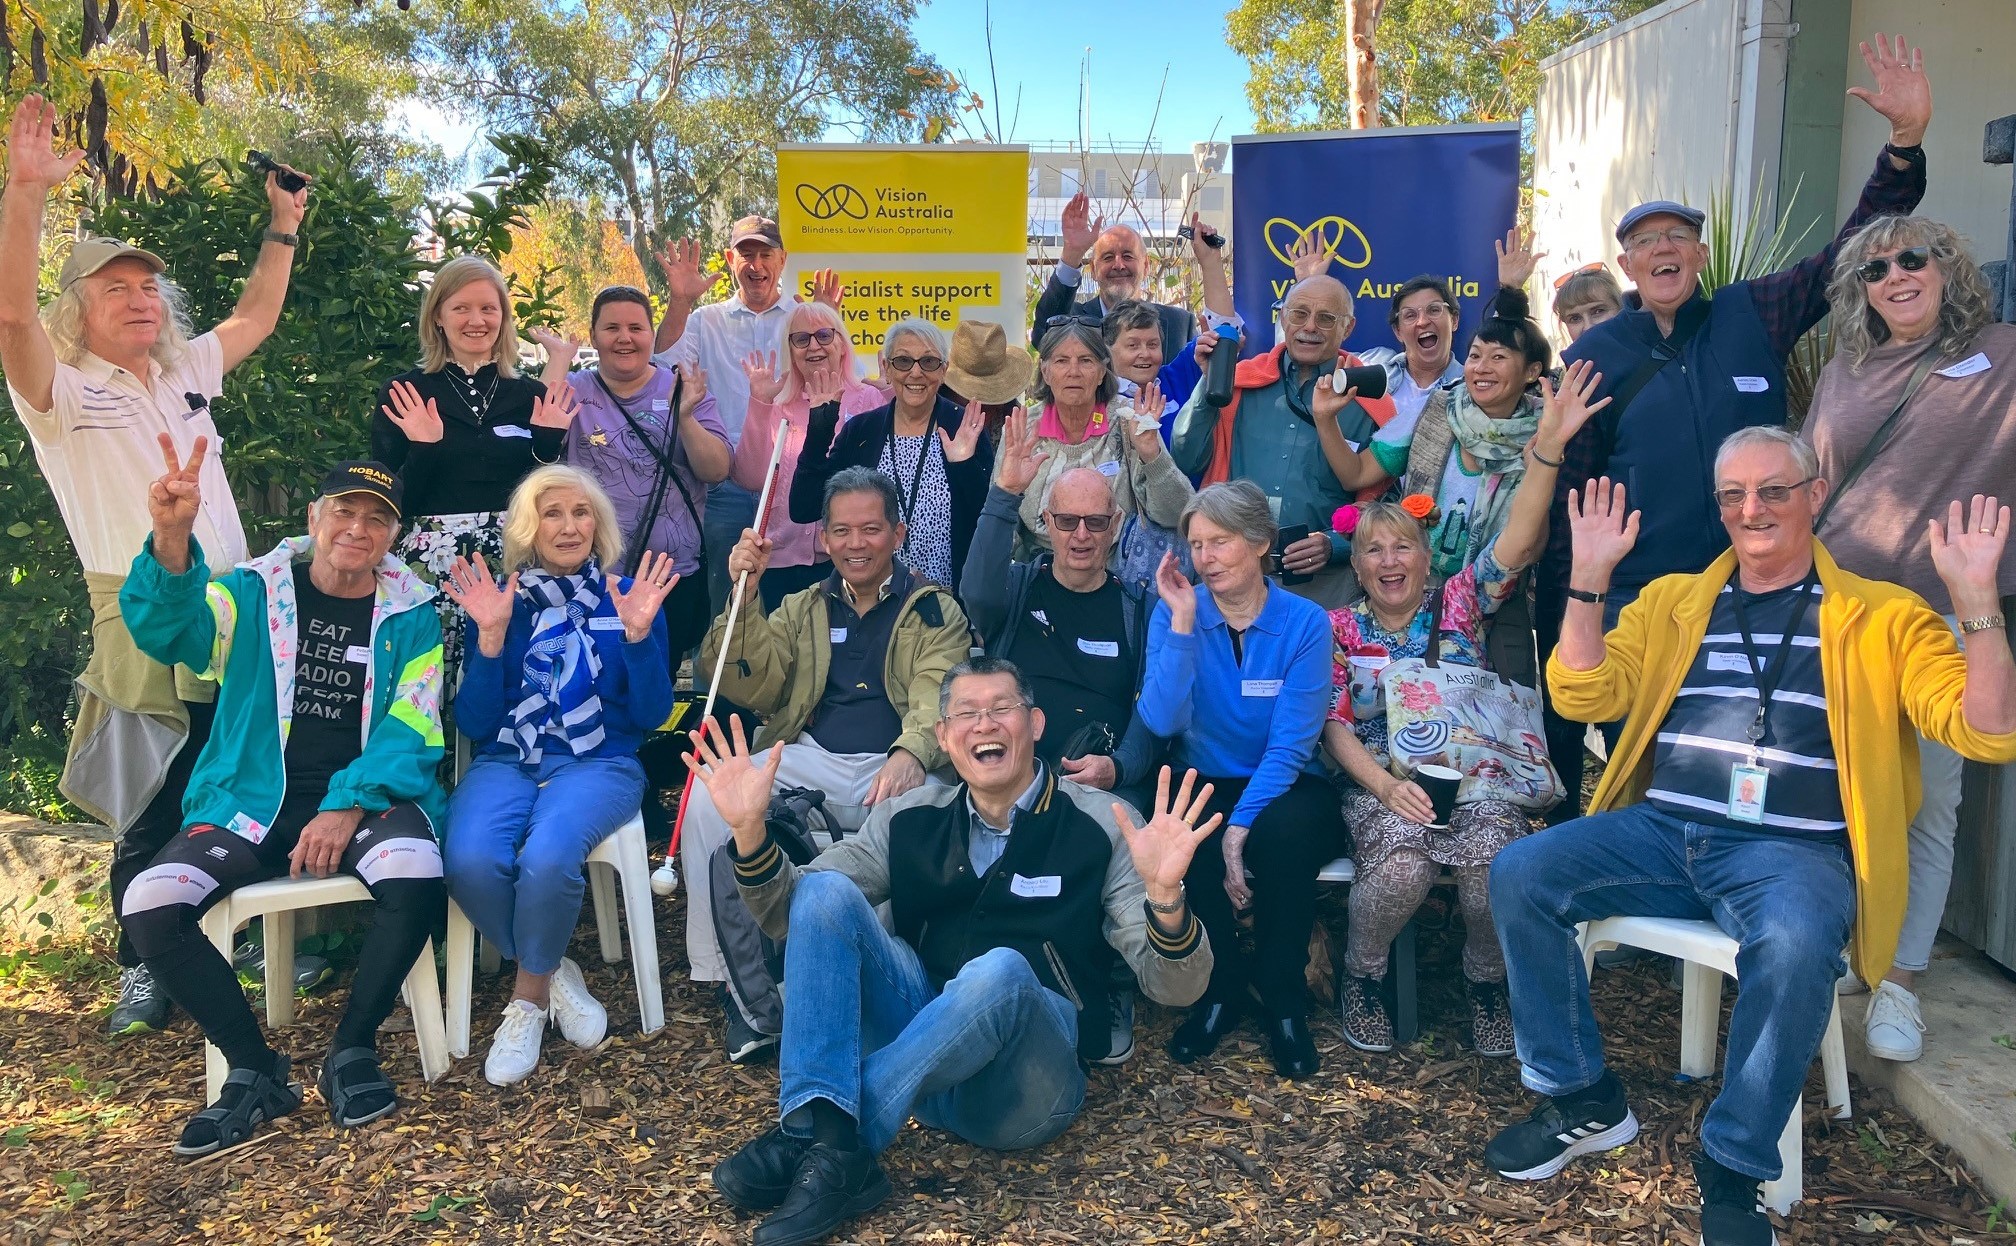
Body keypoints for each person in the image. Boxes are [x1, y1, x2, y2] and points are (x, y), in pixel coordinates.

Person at [1486, 427, 2015, 1246]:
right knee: (1523, 871)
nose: (1751, 509)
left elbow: (1988, 733)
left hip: (1793, 851)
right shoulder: (1675, 601)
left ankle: (1734, 1163)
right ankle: (1582, 1096)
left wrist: (1978, 606)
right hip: (1667, 832)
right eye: (1732, 495)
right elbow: (1583, 695)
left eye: (1772, 489)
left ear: (1816, 492)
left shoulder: (1883, 616)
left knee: (1799, 941)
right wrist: (1588, 579)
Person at [689, 659, 1215, 1246]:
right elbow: (796, 915)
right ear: (943, 737)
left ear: (1036, 723)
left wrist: (1167, 899)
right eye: (966, 713)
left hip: (1023, 1087)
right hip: (924, 1053)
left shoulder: (1102, 824)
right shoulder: (908, 818)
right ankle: (836, 1150)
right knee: (824, 890)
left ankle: (823, 1132)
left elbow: (1176, 988)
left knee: (1000, 971)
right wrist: (750, 833)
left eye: (1001, 709)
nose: (984, 724)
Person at [0, 95, 312, 1035]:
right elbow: (11, 314)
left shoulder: (185, 371)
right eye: (115, 291)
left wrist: (283, 225)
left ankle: (225, 926)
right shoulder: (56, 392)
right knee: (154, 784)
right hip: (133, 601)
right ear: (80, 312)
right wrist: (24, 193)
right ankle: (145, 959)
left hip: (232, 599)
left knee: (239, 765)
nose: (139, 301)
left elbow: (258, 309)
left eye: (148, 289)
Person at [1538, 33, 1933, 638]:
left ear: (1699, 255)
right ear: (1627, 267)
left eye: (1676, 237)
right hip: (1640, 603)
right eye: (1645, 241)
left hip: (1758, 589)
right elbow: (1572, 499)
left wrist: (1903, 146)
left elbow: (1851, 251)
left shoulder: (1754, 312)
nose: (1662, 248)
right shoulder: (1595, 354)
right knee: (1637, 737)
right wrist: (1566, 625)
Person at [117, 448, 448, 1154]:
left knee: (417, 871)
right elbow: (170, 633)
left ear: (393, 534)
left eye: (377, 519)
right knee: (151, 902)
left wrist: (347, 803)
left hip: (365, 797)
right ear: (314, 517)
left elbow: (413, 726)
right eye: (344, 511)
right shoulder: (248, 591)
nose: (358, 529)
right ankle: (253, 1067)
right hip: (250, 799)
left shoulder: (413, 611)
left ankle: (352, 1051)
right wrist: (172, 536)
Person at [1321, 364, 1606, 1057]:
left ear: (1427, 556)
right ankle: (1361, 974)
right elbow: (1332, 726)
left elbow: (1517, 533)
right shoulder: (1337, 630)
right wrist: (1387, 785)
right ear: (1357, 568)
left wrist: (1548, 449)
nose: (1390, 561)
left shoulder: (1461, 601)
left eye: (1403, 547)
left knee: (1493, 869)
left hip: (1479, 782)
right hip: (1383, 781)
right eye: (1374, 551)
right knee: (1403, 871)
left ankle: (1486, 982)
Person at [1800, 215, 2016, 1064]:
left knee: (1932, 804)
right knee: (1840, 795)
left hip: (1948, 617)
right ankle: (1861, 950)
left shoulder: (2003, 353)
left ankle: (1902, 985)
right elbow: (1812, 481)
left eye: (1912, 257)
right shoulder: (1848, 369)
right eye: (1874, 267)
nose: (1895, 274)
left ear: (1946, 264)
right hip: (1844, 613)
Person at [683, 467, 974, 1061]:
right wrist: (745, 593)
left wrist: (911, 752)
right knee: (710, 801)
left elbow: (937, 695)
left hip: (890, 763)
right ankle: (728, 980)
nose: (855, 543)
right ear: (824, 537)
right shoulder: (803, 605)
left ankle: (877, 987)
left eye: (871, 529)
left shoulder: (933, 609)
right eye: (841, 531)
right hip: (808, 756)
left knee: (911, 816)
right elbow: (750, 684)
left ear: (898, 532)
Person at [436, 466, 677, 1085]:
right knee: (466, 857)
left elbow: (650, 716)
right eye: (552, 513)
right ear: (529, 529)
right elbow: (475, 719)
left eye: (581, 512)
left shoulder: (629, 596)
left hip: (601, 760)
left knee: (547, 855)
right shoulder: (502, 604)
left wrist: (641, 635)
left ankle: (524, 1002)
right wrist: (490, 637)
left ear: (598, 525)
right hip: (510, 758)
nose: (568, 526)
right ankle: (552, 970)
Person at [1136, 481, 1344, 1078]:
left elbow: (1292, 743)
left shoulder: (1304, 622)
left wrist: (1241, 828)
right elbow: (1160, 719)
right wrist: (1179, 626)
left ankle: (1283, 996)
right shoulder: (1178, 612)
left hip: (1286, 781)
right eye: (1197, 544)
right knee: (1188, 838)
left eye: (1220, 542)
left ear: (1260, 544)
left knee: (1283, 839)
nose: (1205, 558)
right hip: (1204, 775)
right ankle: (1221, 988)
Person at [371, 255, 570, 688]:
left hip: (515, 563)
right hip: (431, 567)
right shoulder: (406, 392)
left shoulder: (530, 395)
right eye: (461, 308)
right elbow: (388, 502)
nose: (476, 320)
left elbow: (544, 494)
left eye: (488, 308)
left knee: (514, 680)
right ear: (438, 317)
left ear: (503, 317)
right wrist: (423, 448)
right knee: (427, 685)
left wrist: (549, 446)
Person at [650, 220, 842, 613]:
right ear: (730, 260)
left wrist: (826, 322)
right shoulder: (705, 320)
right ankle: (720, 676)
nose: (756, 264)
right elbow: (664, 364)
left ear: (783, 260)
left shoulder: (804, 319)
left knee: (802, 605)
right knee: (728, 607)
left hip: (795, 485)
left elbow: (836, 375)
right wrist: (681, 301)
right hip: (727, 491)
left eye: (766, 254)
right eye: (746, 254)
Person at [1171, 276, 1399, 609]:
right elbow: (1187, 459)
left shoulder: (1370, 405)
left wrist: (1334, 544)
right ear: (1282, 318)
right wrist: (1209, 383)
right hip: (1233, 575)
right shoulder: (1239, 382)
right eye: (1299, 314)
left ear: (1347, 328)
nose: (1310, 327)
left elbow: (1382, 507)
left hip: (1323, 589)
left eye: (1325, 318)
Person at [534, 285, 728, 669]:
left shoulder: (681, 389)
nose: (625, 338)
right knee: (589, 674)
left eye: (636, 328)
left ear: (651, 335)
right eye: (612, 328)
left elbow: (716, 470)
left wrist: (686, 417)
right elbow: (539, 435)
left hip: (671, 576)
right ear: (594, 336)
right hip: (590, 574)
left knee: (656, 682)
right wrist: (558, 358)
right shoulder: (575, 389)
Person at [962, 443, 1160, 809]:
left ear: (1115, 525)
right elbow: (975, 592)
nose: (1081, 535)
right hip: (1009, 781)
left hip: (1104, 792)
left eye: (1095, 522)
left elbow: (1154, 712)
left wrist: (1118, 767)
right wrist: (1004, 496)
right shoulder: (1016, 589)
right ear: (1047, 521)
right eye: (1067, 520)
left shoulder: (1141, 610)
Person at [1327, 290, 1553, 590]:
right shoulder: (1436, 410)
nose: (1482, 367)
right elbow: (1356, 473)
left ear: (1532, 371)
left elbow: (1533, 549)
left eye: (1498, 357)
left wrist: (1539, 465)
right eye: (1475, 355)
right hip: (1418, 590)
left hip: (1497, 598)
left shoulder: (1546, 435)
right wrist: (1324, 419)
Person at [787, 320, 992, 588]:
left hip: (947, 605)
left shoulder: (963, 427)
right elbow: (804, 508)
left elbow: (986, 523)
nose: (916, 373)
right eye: (903, 361)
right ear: (886, 367)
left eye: (928, 362)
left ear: (944, 370)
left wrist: (963, 466)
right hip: (873, 604)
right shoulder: (862, 431)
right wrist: (818, 435)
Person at [736, 301, 891, 609]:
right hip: (779, 562)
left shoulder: (868, 399)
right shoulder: (778, 403)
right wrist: (760, 404)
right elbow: (752, 478)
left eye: (823, 335)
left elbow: (881, 481)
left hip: (848, 560)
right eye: (801, 339)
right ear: (790, 350)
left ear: (842, 345)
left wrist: (890, 397)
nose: (814, 346)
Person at [1018, 321, 1194, 557]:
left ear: (1102, 372)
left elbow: (1177, 514)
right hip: (1039, 569)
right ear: (1045, 372)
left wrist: (1152, 454)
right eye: (1061, 361)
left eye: (1085, 360)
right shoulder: (1023, 428)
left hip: (1115, 570)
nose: (1074, 371)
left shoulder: (1127, 418)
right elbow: (1004, 521)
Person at [1032, 191, 1195, 359]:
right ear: (1094, 270)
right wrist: (1072, 253)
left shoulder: (1179, 324)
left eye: (1128, 256)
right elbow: (1042, 338)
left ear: (1146, 266)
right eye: (1108, 257)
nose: (1118, 265)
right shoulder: (1073, 319)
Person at [1359, 277, 1466, 437]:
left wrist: (1510, 288)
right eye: (1410, 315)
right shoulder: (1373, 374)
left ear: (1454, 320)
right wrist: (1308, 283)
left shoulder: (1472, 387)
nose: (1422, 322)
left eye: (1434, 310)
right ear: (1398, 332)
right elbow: (1326, 357)